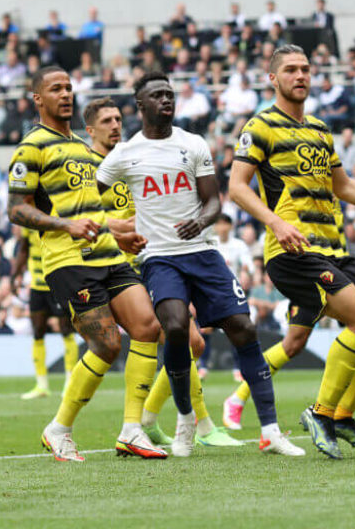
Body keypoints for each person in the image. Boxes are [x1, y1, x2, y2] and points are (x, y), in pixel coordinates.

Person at [228, 44, 355, 459]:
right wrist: (276, 223)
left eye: (305, 69)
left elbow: (345, 187)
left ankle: (342, 416)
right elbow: (236, 187)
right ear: (273, 79)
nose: (300, 75)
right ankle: (320, 413)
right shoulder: (260, 125)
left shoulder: (320, 129)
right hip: (293, 251)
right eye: (290, 70)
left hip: (335, 249)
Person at [96, 74, 304, 458]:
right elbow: (88, 197)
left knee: (243, 327)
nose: (166, 100)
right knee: (176, 328)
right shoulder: (125, 153)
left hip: (203, 253)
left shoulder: (192, 143)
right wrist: (112, 229)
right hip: (159, 258)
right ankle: (186, 420)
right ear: (140, 106)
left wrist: (202, 220)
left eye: (169, 94)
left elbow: (213, 201)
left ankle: (271, 431)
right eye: (157, 96)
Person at [8, 66, 164, 462]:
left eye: (68, 88)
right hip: (68, 260)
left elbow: (90, 209)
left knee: (147, 327)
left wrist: (118, 235)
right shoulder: (31, 148)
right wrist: (66, 225)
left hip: (108, 253)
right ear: (38, 99)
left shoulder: (80, 146)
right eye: (55, 89)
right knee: (107, 344)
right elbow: (16, 210)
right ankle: (58, 429)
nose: (65, 94)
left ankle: (132, 430)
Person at [12, 228, 79, 400]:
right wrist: (15, 275)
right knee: (37, 332)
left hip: (58, 282)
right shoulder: (28, 223)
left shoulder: (57, 218)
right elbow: (24, 249)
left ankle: (70, 383)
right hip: (37, 286)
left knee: (66, 330)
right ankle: (41, 385)